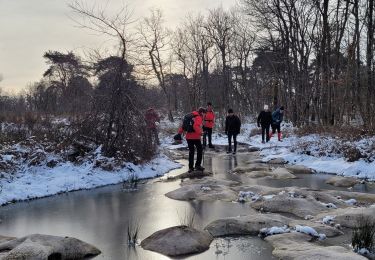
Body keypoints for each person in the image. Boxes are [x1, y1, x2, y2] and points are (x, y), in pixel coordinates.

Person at [178, 107, 206, 172]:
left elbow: (184, 126)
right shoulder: (198, 117)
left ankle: (191, 167)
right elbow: (195, 126)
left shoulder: (190, 116)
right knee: (199, 151)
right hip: (196, 137)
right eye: (204, 114)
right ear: (202, 112)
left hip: (188, 137)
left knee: (191, 152)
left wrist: (179, 133)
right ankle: (197, 165)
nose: (204, 115)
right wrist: (201, 133)